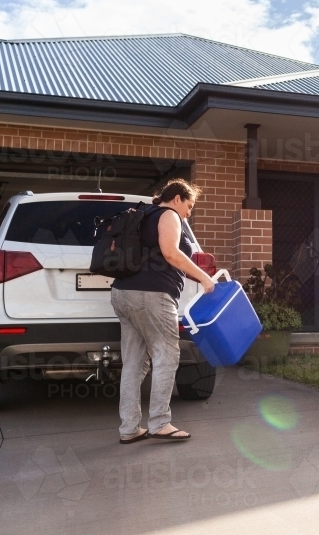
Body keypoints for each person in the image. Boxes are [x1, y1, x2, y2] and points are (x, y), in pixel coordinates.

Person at [111, 179, 215, 444]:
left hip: (123, 293)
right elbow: (170, 253)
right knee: (167, 354)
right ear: (177, 198)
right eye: (189, 206)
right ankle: (160, 423)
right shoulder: (169, 214)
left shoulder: (143, 214)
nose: (189, 213)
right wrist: (204, 278)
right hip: (152, 295)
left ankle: (129, 428)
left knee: (134, 361)